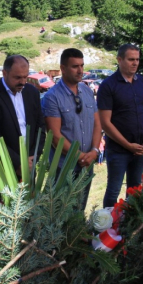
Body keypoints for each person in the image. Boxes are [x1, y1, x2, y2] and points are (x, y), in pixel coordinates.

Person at [41, 48, 102, 209]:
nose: (80, 70)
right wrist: (81, 156)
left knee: (80, 209)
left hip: (86, 165)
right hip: (64, 167)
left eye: (82, 65)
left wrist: (94, 151)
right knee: (61, 213)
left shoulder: (88, 92)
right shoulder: (52, 97)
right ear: (62, 68)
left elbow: (97, 124)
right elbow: (54, 136)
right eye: (75, 66)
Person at [98, 44, 143, 208]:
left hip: (141, 148)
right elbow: (105, 123)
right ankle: (107, 226)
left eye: (137, 59)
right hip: (119, 150)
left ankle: (130, 224)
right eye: (131, 59)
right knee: (113, 191)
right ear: (119, 60)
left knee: (135, 188)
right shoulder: (108, 86)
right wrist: (128, 145)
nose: (135, 63)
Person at [0, 55, 45, 188]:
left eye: (25, 77)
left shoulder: (32, 92)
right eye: (17, 77)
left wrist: (32, 157)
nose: (23, 82)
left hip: (29, 167)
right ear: (4, 73)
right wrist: (18, 163)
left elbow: (40, 127)